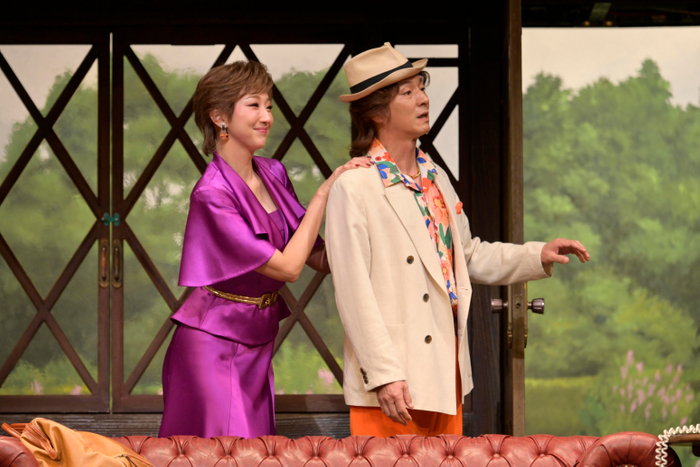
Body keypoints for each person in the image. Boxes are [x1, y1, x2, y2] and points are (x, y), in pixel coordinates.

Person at [325, 43, 590, 437]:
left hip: (443, 372)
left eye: (421, 87)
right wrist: (382, 374)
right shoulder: (355, 186)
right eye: (408, 92)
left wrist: (538, 255)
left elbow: (466, 255)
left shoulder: (436, 178)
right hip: (392, 381)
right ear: (377, 112)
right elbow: (353, 291)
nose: (423, 98)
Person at [158, 60, 372, 439]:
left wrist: (379, 238)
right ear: (219, 117)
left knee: (257, 455)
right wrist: (324, 192)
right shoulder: (211, 194)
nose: (267, 117)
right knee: (224, 457)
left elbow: (316, 256)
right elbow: (289, 268)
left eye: (269, 106)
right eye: (254, 105)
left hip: (259, 344)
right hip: (211, 347)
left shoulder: (273, 173)